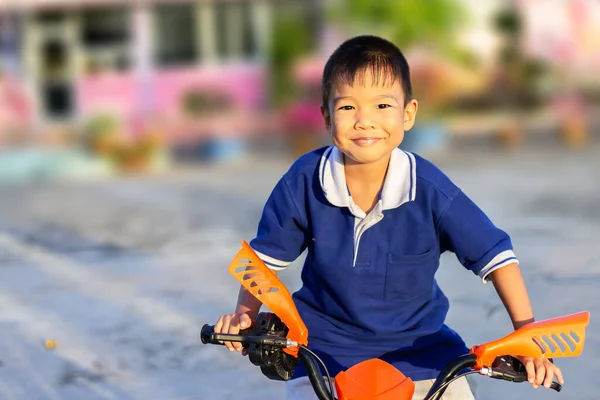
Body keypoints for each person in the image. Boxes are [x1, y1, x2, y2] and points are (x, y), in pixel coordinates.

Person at [213, 35, 563, 399]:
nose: (365, 121)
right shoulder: (304, 181)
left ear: (408, 114)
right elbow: (262, 262)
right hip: (322, 353)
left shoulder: (430, 190)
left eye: (382, 105)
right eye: (348, 108)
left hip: (422, 354)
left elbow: (497, 258)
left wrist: (527, 335)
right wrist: (244, 316)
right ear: (326, 117)